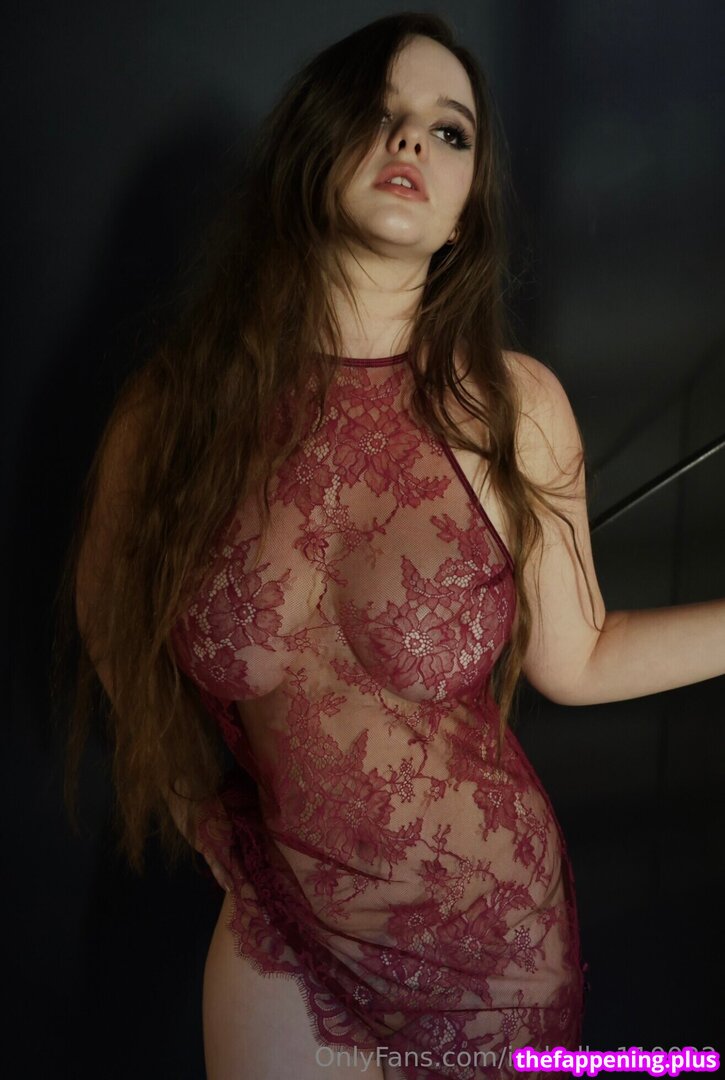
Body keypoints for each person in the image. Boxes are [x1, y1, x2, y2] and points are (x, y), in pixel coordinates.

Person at [55, 13, 725, 1080]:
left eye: (448, 131)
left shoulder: (511, 408)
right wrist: (201, 814)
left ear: (464, 213)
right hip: (281, 920)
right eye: (378, 114)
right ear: (310, 153)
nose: (410, 139)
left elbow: (580, 656)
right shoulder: (175, 411)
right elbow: (108, 619)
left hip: (487, 941)